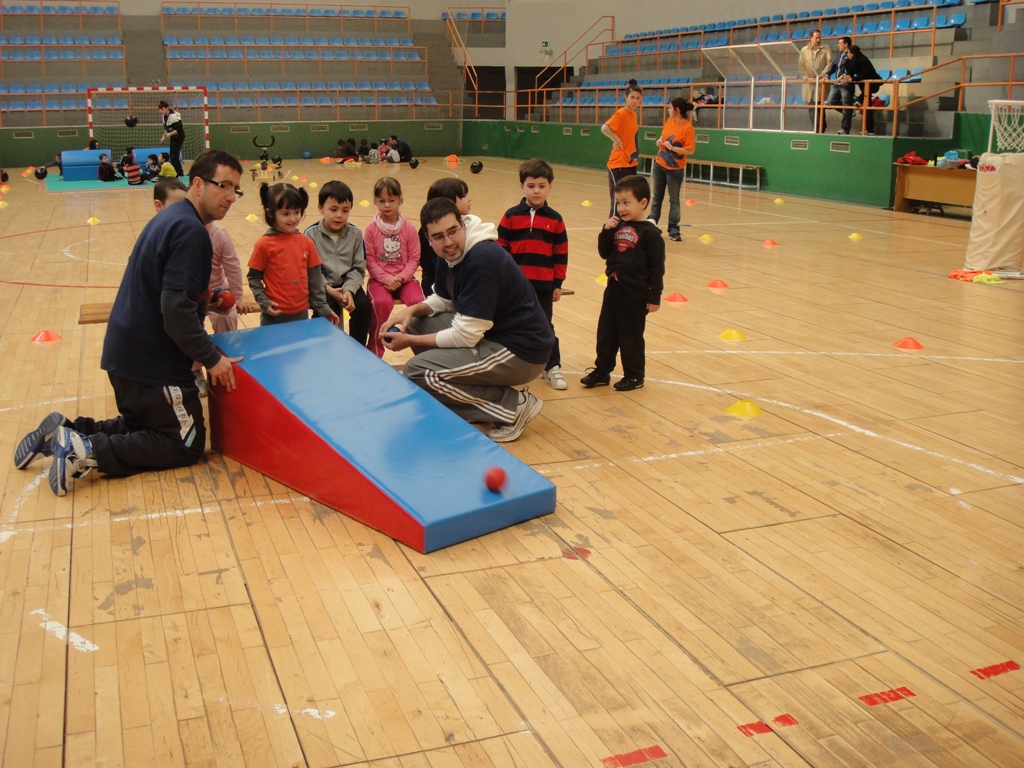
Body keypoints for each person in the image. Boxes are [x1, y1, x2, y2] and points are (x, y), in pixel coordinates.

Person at [13, 150, 245, 495]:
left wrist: (204, 299)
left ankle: (72, 430)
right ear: (197, 184)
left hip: (126, 355)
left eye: (236, 189)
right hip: (151, 364)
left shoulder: (172, 218)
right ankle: (85, 450)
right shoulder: (193, 232)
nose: (230, 196)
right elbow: (175, 311)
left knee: (147, 424)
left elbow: (166, 290)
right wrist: (212, 359)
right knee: (186, 442)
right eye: (223, 185)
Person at [381, 198, 554, 443]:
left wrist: (409, 339)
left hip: (522, 352)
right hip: (490, 335)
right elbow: (443, 299)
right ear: (429, 241)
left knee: (419, 372)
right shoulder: (449, 255)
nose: (448, 242)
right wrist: (410, 311)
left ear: (462, 225)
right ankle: (476, 400)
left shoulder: (481, 259)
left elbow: (465, 335)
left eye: (452, 231)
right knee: (419, 322)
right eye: (439, 236)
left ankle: (514, 407)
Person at [580, 174, 665, 393]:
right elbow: (604, 252)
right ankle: (602, 371)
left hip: (635, 295)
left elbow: (657, 268)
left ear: (643, 203)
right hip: (614, 289)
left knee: (631, 336)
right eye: (618, 203)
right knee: (606, 332)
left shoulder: (651, 234)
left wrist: (654, 296)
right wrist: (606, 231)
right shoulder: (616, 227)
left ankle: (634, 375)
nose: (621, 208)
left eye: (627, 203)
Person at [497, 158, 570, 391]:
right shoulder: (510, 216)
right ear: (522, 187)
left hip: (543, 286)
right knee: (510, 323)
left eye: (541, 185)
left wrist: (557, 283)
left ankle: (552, 367)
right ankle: (508, 363)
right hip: (516, 286)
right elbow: (501, 249)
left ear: (550, 187)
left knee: (544, 326)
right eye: (531, 186)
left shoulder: (556, 220)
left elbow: (561, 253)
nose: (536, 190)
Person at [247, 182, 339, 327]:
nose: (293, 218)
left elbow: (315, 282)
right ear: (271, 213)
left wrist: (323, 308)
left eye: (297, 212)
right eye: (286, 213)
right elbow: (253, 277)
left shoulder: (307, 243)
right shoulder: (264, 244)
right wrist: (264, 302)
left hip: (301, 315)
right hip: (273, 317)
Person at [303, 180, 371, 347]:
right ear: (320, 208)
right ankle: (324, 348)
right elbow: (311, 270)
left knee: (363, 307)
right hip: (322, 286)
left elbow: (358, 267)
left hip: (347, 284)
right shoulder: (310, 235)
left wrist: (349, 290)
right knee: (324, 308)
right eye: (333, 209)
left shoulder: (355, 234)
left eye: (345, 210)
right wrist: (328, 289)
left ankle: (357, 349)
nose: (339, 215)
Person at [363, 176, 424, 356]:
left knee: (419, 303)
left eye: (391, 200)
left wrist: (402, 278)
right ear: (375, 202)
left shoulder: (409, 229)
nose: (387, 205)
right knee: (380, 302)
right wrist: (387, 279)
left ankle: (420, 346)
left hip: (405, 280)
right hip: (380, 281)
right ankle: (375, 348)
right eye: (381, 201)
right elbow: (370, 260)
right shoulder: (371, 229)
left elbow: (414, 257)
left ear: (400, 200)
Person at [417, 177, 482, 297]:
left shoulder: (468, 225)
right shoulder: (427, 231)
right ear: (447, 202)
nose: (469, 199)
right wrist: (450, 270)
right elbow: (426, 260)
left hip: (461, 282)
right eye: (463, 196)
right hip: (435, 284)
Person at [650, 98, 696, 242]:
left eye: (670, 108)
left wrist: (673, 148)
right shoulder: (670, 122)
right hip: (660, 165)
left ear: (677, 110)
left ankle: (674, 229)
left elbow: (690, 150)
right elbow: (664, 137)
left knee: (674, 200)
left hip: (675, 169)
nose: (668, 110)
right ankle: (652, 224)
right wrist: (660, 141)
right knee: (657, 197)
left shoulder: (687, 128)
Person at [601, 79, 642, 216]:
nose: (635, 101)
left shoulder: (634, 115)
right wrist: (616, 140)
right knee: (617, 198)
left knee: (628, 198)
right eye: (632, 98)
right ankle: (612, 229)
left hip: (630, 162)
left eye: (638, 98)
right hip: (618, 163)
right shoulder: (621, 113)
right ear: (626, 97)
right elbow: (605, 128)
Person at [799, 30, 832, 133]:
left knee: (820, 106)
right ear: (811, 38)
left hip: (820, 83)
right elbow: (801, 65)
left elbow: (829, 63)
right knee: (811, 106)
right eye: (816, 37)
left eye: (819, 38)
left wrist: (821, 76)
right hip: (809, 83)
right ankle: (816, 128)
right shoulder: (804, 50)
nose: (818, 40)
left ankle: (821, 128)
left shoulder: (826, 49)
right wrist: (806, 77)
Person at [848, 45, 881, 136]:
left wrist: (853, 79)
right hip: (863, 84)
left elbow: (864, 75)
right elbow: (851, 72)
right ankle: (870, 130)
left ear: (852, 53)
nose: (848, 55)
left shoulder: (863, 60)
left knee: (866, 101)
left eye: (849, 53)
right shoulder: (852, 61)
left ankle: (859, 100)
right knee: (867, 106)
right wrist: (847, 77)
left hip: (873, 83)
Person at [825, 37, 855, 135]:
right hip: (836, 83)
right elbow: (834, 66)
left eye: (840, 43)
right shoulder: (839, 54)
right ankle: (849, 112)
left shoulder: (851, 54)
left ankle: (845, 129)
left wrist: (843, 77)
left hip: (846, 84)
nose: (838, 45)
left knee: (847, 106)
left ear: (846, 44)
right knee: (830, 102)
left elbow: (850, 69)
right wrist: (827, 74)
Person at [158, 100, 186, 177]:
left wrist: (170, 134)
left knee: (174, 156)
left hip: (179, 137)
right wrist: (163, 136)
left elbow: (179, 130)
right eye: (160, 109)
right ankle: (179, 172)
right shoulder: (164, 116)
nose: (161, 111)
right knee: (172, 155)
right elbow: (167, 128)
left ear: (167, 108)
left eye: (162, 109)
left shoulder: (175, 116)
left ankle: (178, 173)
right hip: (173, 137)